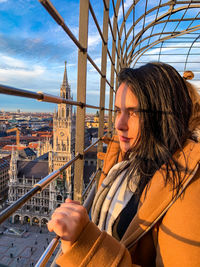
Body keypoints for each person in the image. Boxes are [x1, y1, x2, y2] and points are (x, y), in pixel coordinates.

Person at [48, 62, 200, 266]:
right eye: (118, 111)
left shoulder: (189, 187)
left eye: (134, 112)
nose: (118, 124)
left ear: (163, 115)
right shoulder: (131, 161)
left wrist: (85, 244)